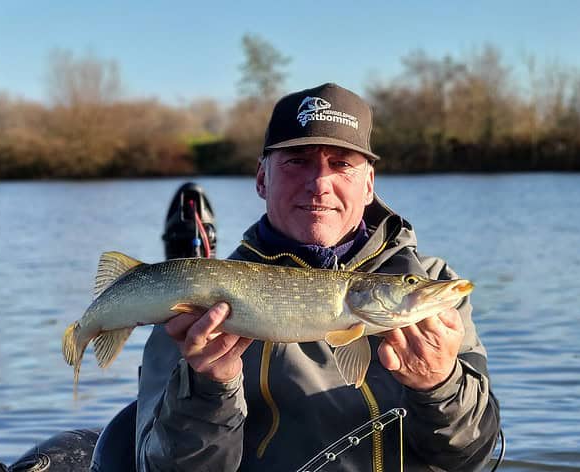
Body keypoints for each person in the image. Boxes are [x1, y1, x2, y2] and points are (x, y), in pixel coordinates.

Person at [136, 83, 500, 471]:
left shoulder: (432, 281)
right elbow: (160, 467)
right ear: (262, 179)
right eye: (297, 161)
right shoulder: (198, 299)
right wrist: (208, 388)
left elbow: (471, 454)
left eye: (341, 163)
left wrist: (440, 385)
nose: (320, 182)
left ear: (369, 184)